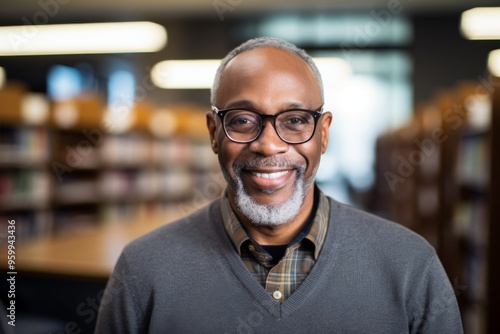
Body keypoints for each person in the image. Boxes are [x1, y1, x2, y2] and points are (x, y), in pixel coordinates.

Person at [95, 37, 463, 333]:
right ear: (213, 133)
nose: (269, 144)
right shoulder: (143, 271)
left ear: (323, 134)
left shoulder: (411, 266)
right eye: (241, 120)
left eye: (296, 120)